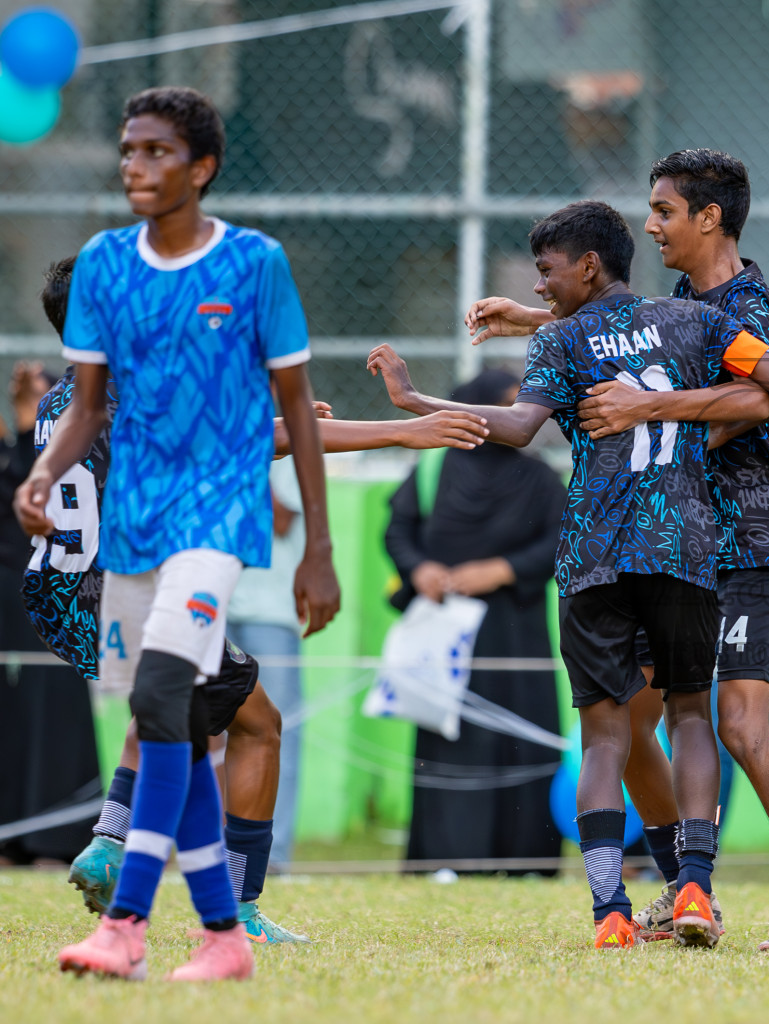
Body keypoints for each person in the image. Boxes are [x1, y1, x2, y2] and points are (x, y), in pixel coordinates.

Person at [367, 199, 769, 950]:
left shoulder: (564, 342)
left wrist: (416, 402)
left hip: (596, 558)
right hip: (685, 550)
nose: (540, 286)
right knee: (690, 715)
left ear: (589, 266)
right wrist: (682, 400)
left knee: (604, 738)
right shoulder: (695, 324)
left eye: (546, 270)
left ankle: (611, 913)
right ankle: (695, 888)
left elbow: (512, 429)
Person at [29, 254, 487, 945]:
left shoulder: (61, 397)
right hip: (131, 587)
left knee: (177, 711)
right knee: (258, 725)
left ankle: (117, 848)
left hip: (62, 593)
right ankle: (224, 908)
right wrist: (404, 430)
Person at [13, 87, 342, 983]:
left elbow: (294, 415)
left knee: (166, 701)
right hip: (131, 535)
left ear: (201, 168)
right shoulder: (104, 268)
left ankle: (124, 924)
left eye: (155, 151)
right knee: (171, 725)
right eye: (127, 150)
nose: (134, 166)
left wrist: (317, 546)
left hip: (211, 523)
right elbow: (85, 408)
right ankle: (227, 934)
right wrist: (41, 472)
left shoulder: (255, 263)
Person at [513, 149, 769, 950]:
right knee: (632, 719)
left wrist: (650, 406)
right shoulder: (681, 299)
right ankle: (686, 889)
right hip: (685, 543)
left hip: (757, 536)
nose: (652, 223)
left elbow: (768, 393)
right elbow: (635, 343)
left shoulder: (745, 301)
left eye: (664, 210)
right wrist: (538, 319)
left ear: (709, 218)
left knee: (737, 723)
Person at [385, 368, 567, 868]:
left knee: (520, 736)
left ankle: (525, 862)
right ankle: (445, 858)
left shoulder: (539, 477)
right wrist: (419, 570)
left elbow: (562, 541)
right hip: (445, 632)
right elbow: (398, 529)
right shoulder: (431, 470)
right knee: (451, 739)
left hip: (514, 630)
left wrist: (502, 570)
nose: (515, 422)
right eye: (504, 409)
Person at [0, 357, 99, 868]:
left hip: (49, 585)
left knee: (54, 709)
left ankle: (58, 839)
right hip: (38, 587)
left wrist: (23, 426)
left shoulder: (61, 414)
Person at [226, 454, 305, 870]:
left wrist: (241, 453)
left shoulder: (282, 438)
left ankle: (271, 858)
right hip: (212, 599)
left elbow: (281, 517)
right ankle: (214, 854)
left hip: (268, 610)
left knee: (274, 732)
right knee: (209, 735)